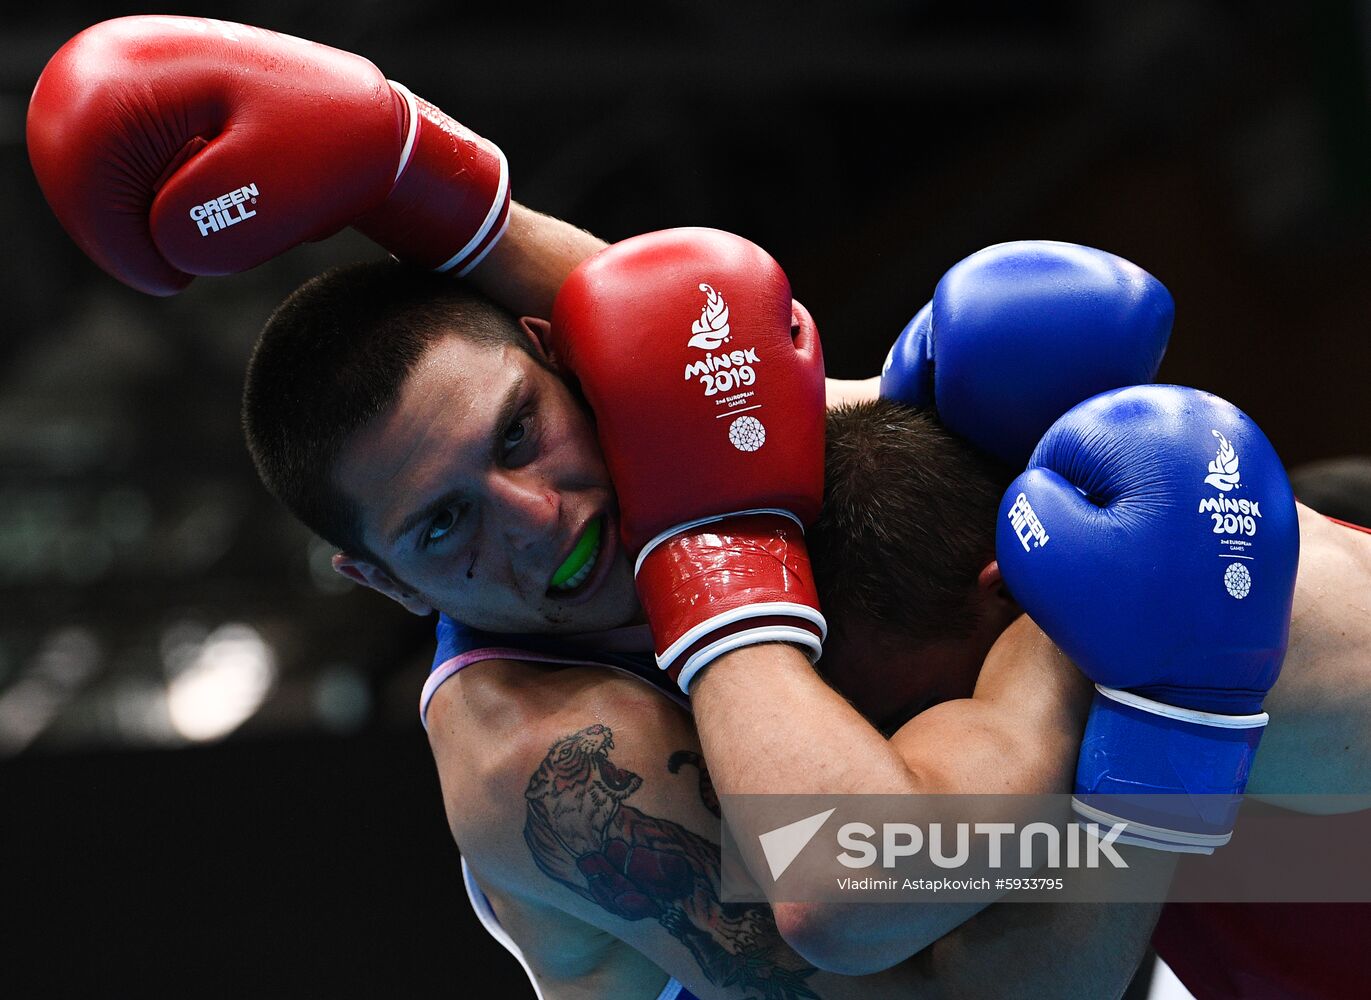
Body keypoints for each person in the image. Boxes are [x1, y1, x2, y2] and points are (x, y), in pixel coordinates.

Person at [28, 15, 1330, 999]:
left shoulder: (639, 434)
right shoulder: (551, 756)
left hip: (1214, 888)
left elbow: (684, 338)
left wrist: (407, 175)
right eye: (442, 529)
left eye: (524, 431)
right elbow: (976, 971)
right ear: (385, 583)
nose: (537, 518)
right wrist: (1123, 669)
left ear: (563, 360)